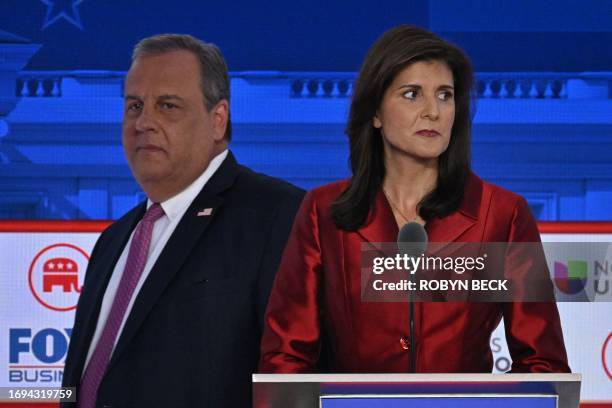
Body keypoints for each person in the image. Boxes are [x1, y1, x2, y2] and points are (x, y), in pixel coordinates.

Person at [259, 26, 570, 374]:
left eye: (445, 95)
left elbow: (544, 364)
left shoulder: (503, 214)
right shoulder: (324, 212)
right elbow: (286, 358)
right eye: (412, 94)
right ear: (375, 112)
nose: (432, 111)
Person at [61, 34, 304, 407]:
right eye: (134, 106)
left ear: (217, 120)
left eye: (168, 106)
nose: (144, 122)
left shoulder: (280, 216)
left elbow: (300, 382)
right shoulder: (113, 240)